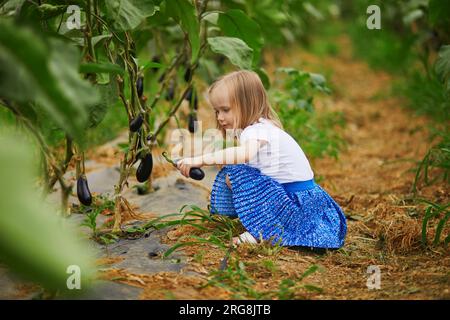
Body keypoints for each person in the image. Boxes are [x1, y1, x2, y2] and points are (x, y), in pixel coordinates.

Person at [176, 70, 347, 248]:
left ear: (247, 104)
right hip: (305, 200)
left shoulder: (255, 131)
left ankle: (260, 231)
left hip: (294, 206)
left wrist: (201, 160)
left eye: (225, 110)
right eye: (216, 111)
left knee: (237, 172)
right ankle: (259, 221)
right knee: (233, 174)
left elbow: (243, 155)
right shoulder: (264, 125)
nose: (219, 117)